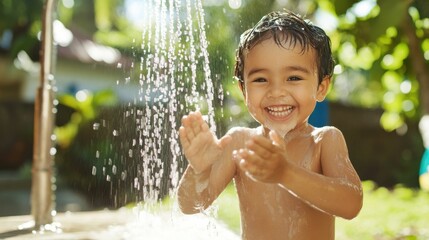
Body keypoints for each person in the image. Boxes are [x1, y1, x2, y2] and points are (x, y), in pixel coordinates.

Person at [177, 10, 363, 240]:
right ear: (243, 90)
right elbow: (192, 205)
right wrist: (199, 171)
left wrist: (286, 173)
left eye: (293, 78)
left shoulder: (325, 141)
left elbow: (351, 203)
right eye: (260, 79)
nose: (276, 92)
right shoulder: (238, 143)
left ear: (321, 87)